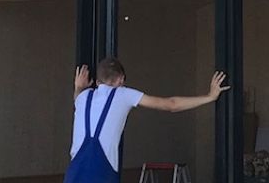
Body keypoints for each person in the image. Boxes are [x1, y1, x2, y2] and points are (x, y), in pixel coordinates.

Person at [66, 58, 229, 183]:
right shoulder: (123, 94)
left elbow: (77, 98)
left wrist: (78, 87)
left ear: (97, 82)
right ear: (121, 79)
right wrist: (210, 97)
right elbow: (171, 104)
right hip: (101, 174)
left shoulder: (82, 97)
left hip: (74, 174)